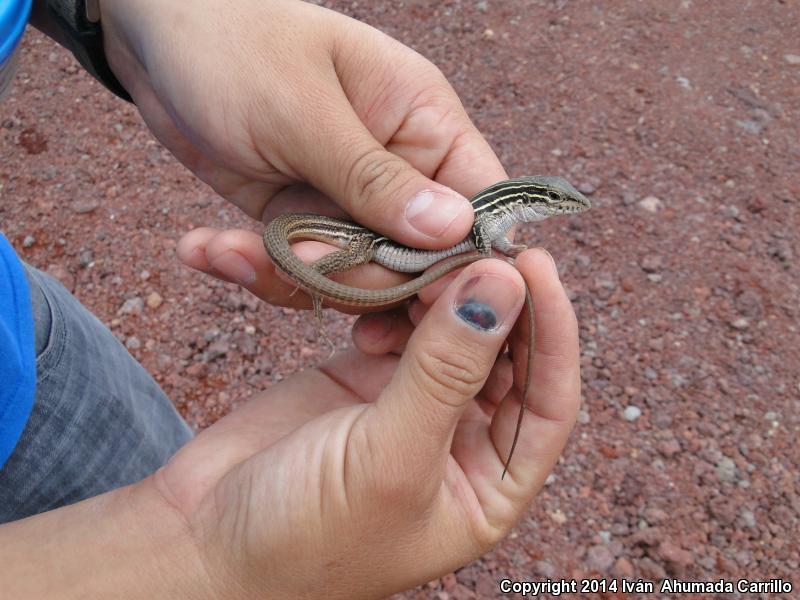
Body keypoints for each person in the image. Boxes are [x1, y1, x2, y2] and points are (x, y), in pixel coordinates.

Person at [0, 0, 581, 597]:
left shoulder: (497, 212)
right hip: (362, 243)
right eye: (562, 203)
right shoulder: (490, 219)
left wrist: (125, 15)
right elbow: (483, 236)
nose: (565, 209)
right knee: (361, 260)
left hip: (20, 336)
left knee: (159, 460)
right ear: (540, 201)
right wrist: (202, 558)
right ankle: (321, 275)